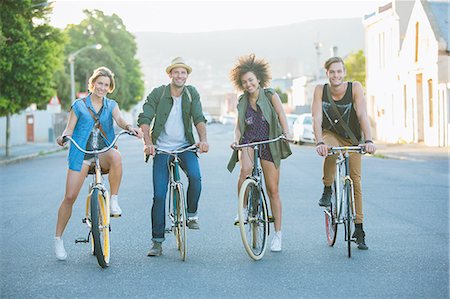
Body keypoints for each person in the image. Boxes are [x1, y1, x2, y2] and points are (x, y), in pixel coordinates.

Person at [54, 66, 142, 260]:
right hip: (82, 154)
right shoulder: (79, 105)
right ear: (92, 84)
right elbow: (69, 129)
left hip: (103, 151)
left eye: (106, 85)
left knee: (117, 156)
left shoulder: (111, 105)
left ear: (110, 88)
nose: (102, 87)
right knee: (69, 197)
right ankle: (58, 239)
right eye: (99, 83)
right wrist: (63, 137)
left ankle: (114, 200)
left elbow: (119, 119)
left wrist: (129, 127)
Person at [138, 57, 209, 257]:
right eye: (176, 72)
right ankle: (157, 242)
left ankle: (191, 214)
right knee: (159, 195)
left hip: (186, 146)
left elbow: (199, 118)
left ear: (187, 75)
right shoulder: (158, 93)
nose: (180, 76)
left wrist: (203, 140)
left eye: (183, 72)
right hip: (161, 149)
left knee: (195, 178)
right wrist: (148, 143)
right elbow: (145, 118)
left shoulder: (191, 93)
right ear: (170, 74)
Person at [227, 54, 292, 252]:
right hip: (249, 141)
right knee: (245, 170)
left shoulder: (271, 95)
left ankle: (278, 235)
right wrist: (236, 140)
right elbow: (239, 126)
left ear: (259, 80)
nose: (248, 84)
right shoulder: (242, 101)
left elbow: (281, 115)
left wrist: (287, 133)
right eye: (245, 82)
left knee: (273, 190)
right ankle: (244, 209)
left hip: (269, 143)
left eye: (251, 81)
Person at [311, 56, 376, 250]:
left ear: (344, 72)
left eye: (339, 71)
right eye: (332, 72)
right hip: (329, 134)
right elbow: (316, 117)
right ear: (327, 74)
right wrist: (319, 142)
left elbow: (363, 114)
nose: (336, 75)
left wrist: (369, 140)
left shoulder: (355, 87)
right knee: (330, 151)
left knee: (356, 181)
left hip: (352, 138)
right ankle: (328, 188)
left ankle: (359, 228)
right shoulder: (320, 90)